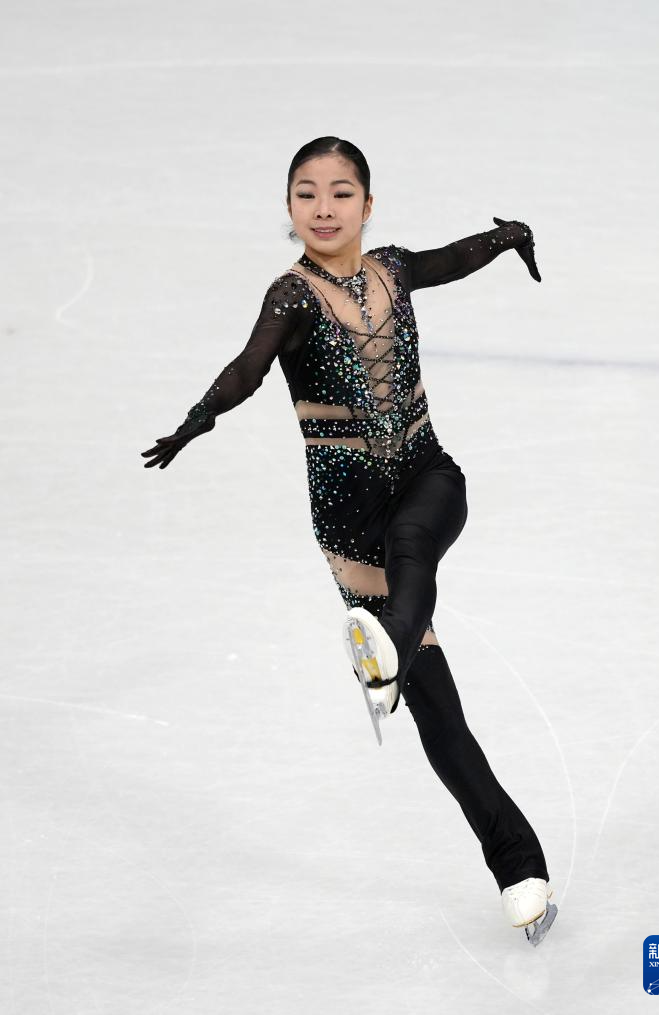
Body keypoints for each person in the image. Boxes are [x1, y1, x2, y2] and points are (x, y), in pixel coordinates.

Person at [141, 136, 557, 946]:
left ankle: (386, 645)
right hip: (346, 514)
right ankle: (520, 866)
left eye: (340, 192)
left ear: (368, 203)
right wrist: (198, 418)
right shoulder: (290, 297)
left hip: (427, 474)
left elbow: (451, 258)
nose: (323, 208)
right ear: (288, 206)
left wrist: (506, 236)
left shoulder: (393, 268)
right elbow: (247, 367)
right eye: (306, 193)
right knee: (439, 713)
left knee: (416, 542)